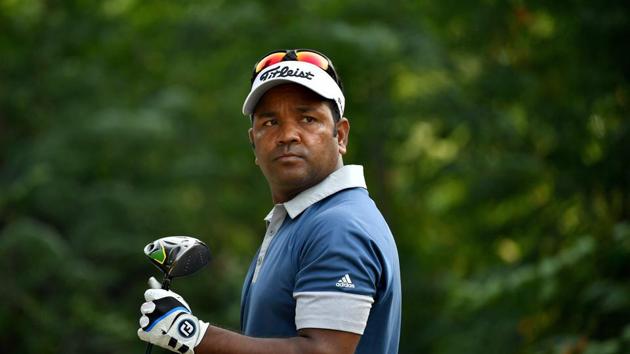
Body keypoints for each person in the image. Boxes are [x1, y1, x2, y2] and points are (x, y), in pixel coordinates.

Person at [137, 49, 402, 354]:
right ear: (253, 142)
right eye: (270, 122)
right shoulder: (299, 221)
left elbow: (323, 352)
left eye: (307, 118)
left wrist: (193, 334)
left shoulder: (338, 225)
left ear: (340, 136)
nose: (288, 134)